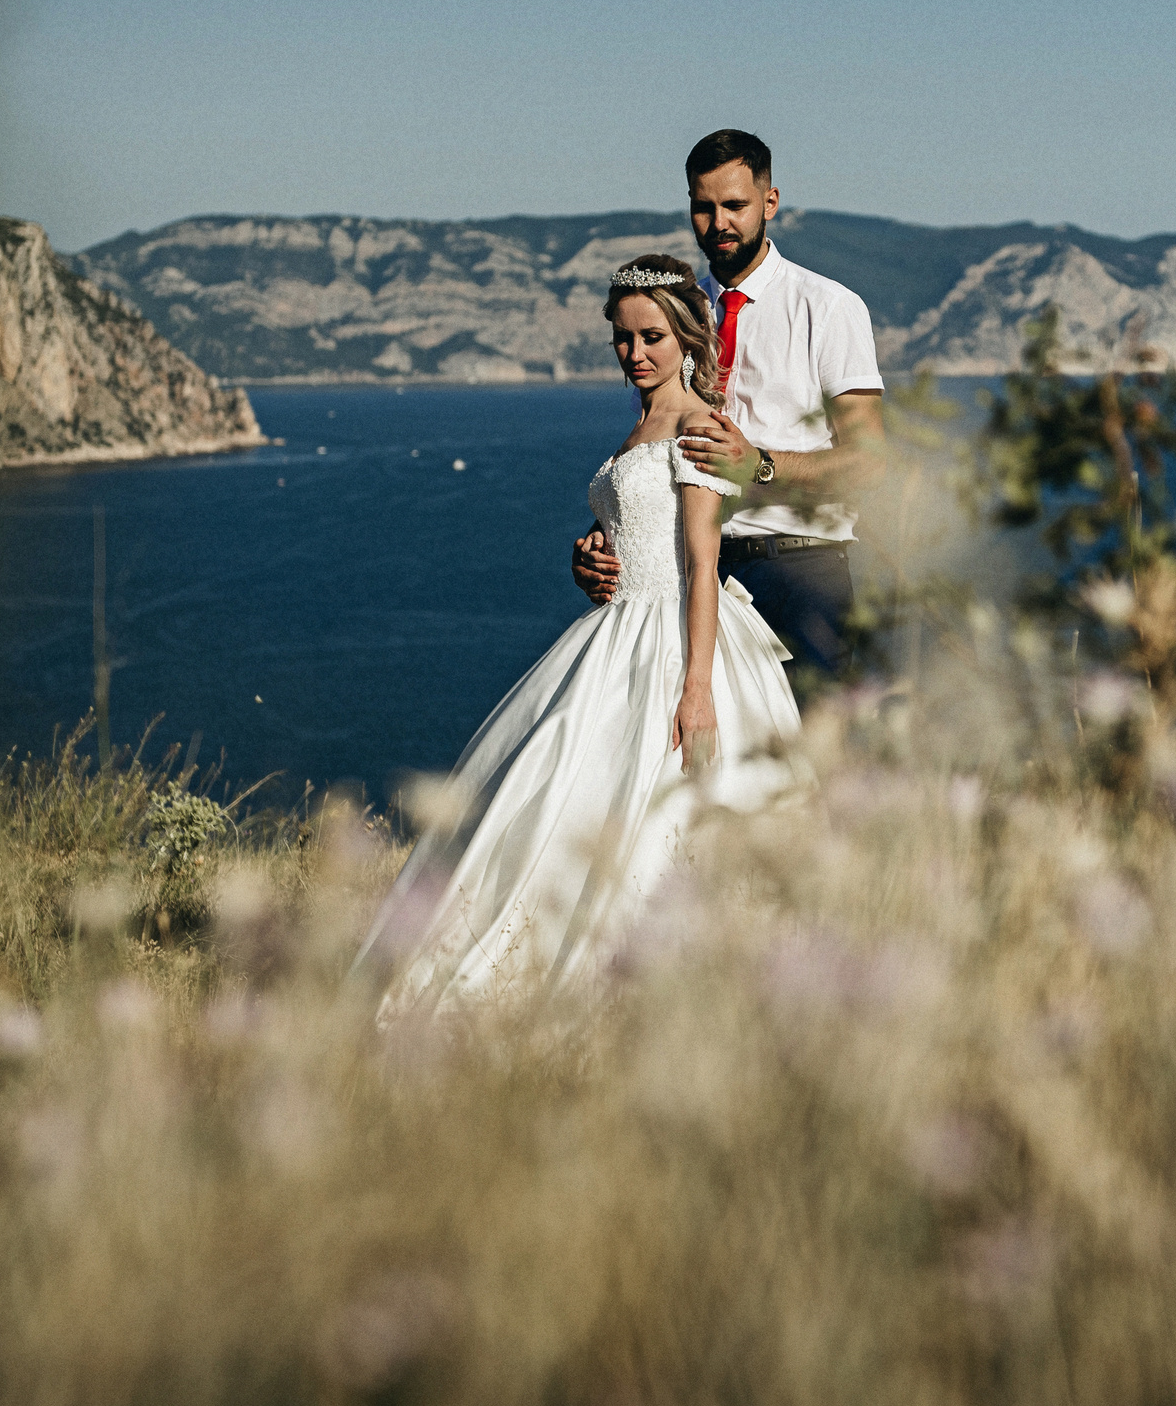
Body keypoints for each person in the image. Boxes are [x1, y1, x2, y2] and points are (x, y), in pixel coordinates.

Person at [355, 256, 800, 1018]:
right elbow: (634, 526)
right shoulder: (643, 425)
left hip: (674, 638)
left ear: (688, 336)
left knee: (658, 814)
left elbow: (699, 563)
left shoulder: (696, 426)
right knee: (565, 793)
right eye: (623, 339)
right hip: (617, 629)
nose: (635, 353)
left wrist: (696, 690)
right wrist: (591, 552)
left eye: (651, 336)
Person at [573, 130, 885, 673]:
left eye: (735, 206)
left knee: (804, 751)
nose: (719, 224)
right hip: (686, 579)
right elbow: (659, 452)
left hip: (796, 570)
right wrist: (611, 541)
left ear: (770, 202)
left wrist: (758, 467)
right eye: (704, 207)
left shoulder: (829, 308)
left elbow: (870, 461)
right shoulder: (674, 319)